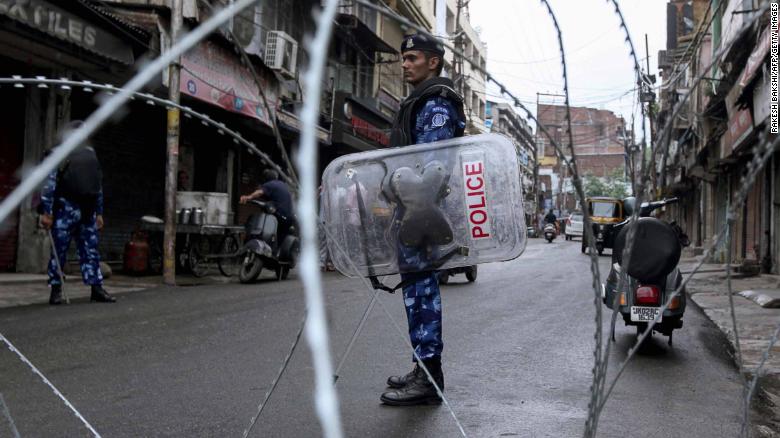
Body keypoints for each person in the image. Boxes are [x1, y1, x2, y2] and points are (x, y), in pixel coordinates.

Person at [379, 33, 466, 406]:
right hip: (413, 213)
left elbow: (431, 170)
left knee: (422, 294)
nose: (405, 63)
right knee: (416, 294)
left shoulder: (435, 105)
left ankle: (429, 379)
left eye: (412, 57)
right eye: (403, 58)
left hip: (422, 215)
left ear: (433, 62)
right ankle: (422, 369)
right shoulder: (419, 102)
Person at [40, 121, 115, 305]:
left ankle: (96, 288)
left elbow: (97, 184)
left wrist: (99, 212)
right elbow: (48, 185)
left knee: (90, 250)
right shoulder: (58, 153)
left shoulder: (90, 155)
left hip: (87, 211)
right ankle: (56, 290)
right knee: (59, 250)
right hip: (65, 208)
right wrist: (46, 212)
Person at [239, 169, 294, 244]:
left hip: (279, 216)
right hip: (289, 218)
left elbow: (259, 192)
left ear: (266, 179)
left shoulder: (270, 184)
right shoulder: (282, 185)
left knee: (266, 232)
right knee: (280, 240)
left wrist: (247, 197)